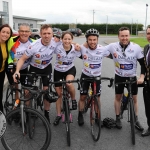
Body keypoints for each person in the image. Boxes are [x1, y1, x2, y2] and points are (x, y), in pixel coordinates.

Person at [13, 24, 59, 123]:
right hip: (34, 68)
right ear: (40, 34)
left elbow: (69, 43)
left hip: (46, 68)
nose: (47, 36)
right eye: (44, 33)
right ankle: (28, 112)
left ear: (52, 35)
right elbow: (22, 59)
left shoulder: (56, 43)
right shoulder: (33, 46)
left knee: (47, 91)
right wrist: (17, 71)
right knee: (27, 91)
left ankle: (46, 113)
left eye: (49, 33)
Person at [106, 27, 145, 131]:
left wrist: (141, 77)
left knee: (135, 98)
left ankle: (136, 120)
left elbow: (142, 64)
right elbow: (97, 49)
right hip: (119, 76)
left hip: (132, 77)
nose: (124, 38)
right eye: (122, 36)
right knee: (118, 97)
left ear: (129, 36)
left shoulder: (136, 48)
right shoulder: (112, 46)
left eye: (126, 35)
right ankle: (118, 117)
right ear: (118, 36)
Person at [78, 28, 110, 126]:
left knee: (97, 97)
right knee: (83, 96)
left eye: (94, 39)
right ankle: (80, 114)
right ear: (87, 40)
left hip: (97, 77)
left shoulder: (103, 49)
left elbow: (114, 56)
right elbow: (71, 50)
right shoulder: (82, 48)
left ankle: (97, 116)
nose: (92, 42)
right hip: (85, 75)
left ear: (97, 40)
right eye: (90, 40)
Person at [53, 31, 81, 125]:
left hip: (70, 69)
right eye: (65, 39)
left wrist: (77, 44)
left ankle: (73, 99)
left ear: (72, 40)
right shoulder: (57, 47)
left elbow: (85, 49)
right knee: (58, 94)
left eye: (69, 39)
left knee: (69, 83)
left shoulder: (75, 49)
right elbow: (50, 43)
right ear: (62, 39)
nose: (67, 41)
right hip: (58, 70)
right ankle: (58, 115)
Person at [140, 25, 150, 136]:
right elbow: (144, 64)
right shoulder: (146, 48)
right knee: (148, 107)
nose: (149, 36)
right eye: (148, 33)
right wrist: (142, 76)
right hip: (147, 83)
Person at [0, 24, 12, 112]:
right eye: (3, 32)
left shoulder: (7, 43)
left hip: (1, 73)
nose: (5, 34)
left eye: (8, 33)